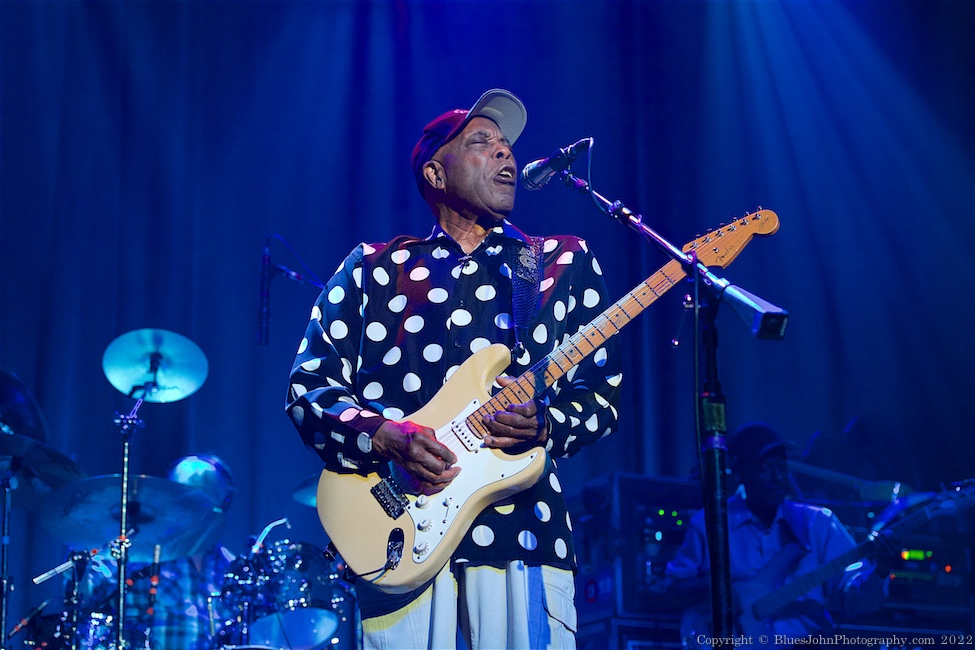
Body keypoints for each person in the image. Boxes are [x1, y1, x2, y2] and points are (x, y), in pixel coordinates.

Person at [286, 88, 623, 649]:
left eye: (507, 145)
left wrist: (547, 425)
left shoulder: (559, 262)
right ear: (436, 175)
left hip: (523, 530)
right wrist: (385, 436)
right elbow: (309, 386)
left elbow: (602, 396)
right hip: (395, 534)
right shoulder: (374, 269)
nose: (505, 154)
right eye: (481, 142)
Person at [664, 423, 893, 648]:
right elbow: (674, 592)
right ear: (740, 470)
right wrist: (718, 588)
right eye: (765, 467)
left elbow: (855, 603)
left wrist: (880, 571)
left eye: (781, 466)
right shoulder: (710, 523)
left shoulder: (817, 524)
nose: (777, 477)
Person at [79, 454, 237, 650]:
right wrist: (80, 567)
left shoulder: (231, 567)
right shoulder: (139, 551)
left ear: (223, 503)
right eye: (186, 499)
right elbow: (87, 593)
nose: (193, 510)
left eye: (203, 499)